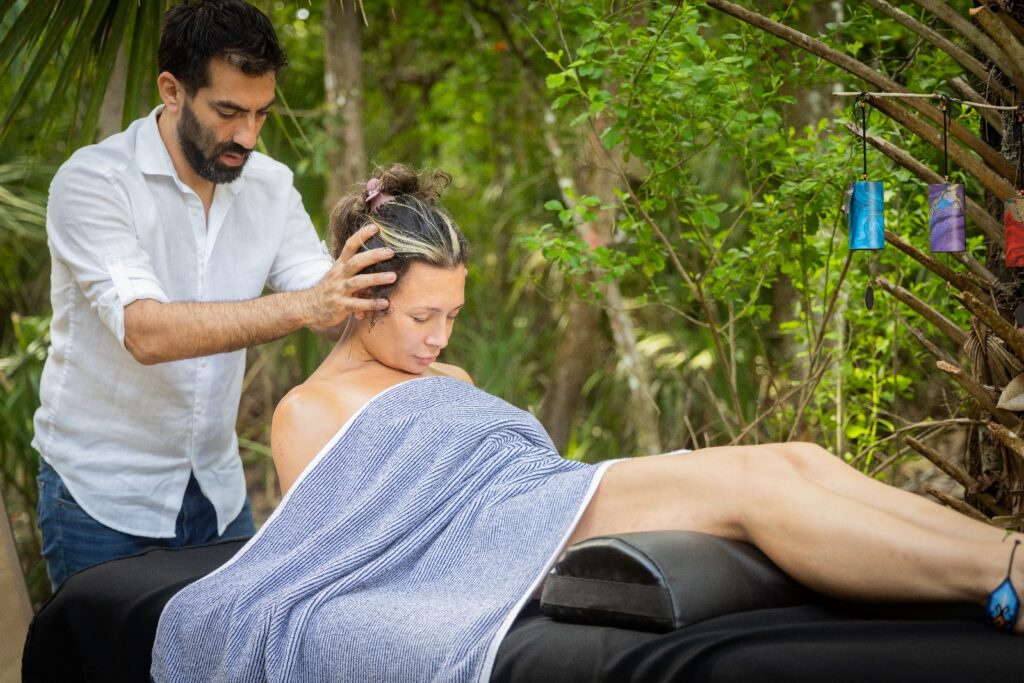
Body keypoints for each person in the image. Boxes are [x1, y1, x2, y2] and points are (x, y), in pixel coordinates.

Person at [151, 164, 1024, 682]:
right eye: (421, 317)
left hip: (541, 495)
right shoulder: (305, 411)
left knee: (793, 453)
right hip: (502, 542)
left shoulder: (443, 372)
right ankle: (998, 576)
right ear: (359, 300)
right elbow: (353, 544)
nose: (440, 338)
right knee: (757, 488)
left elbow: (498, 457)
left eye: (451, 314)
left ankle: (1005, 553)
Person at [33, 0, 394, 590]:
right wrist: (308, 307)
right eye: (228, 112)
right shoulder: (93, 182)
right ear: (172, 90)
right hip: (100, 498)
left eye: (261, 114)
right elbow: (145, 333)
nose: (247, 137)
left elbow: (326, 298)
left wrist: (392, 283)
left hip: (219, 493)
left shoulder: (271, 186)